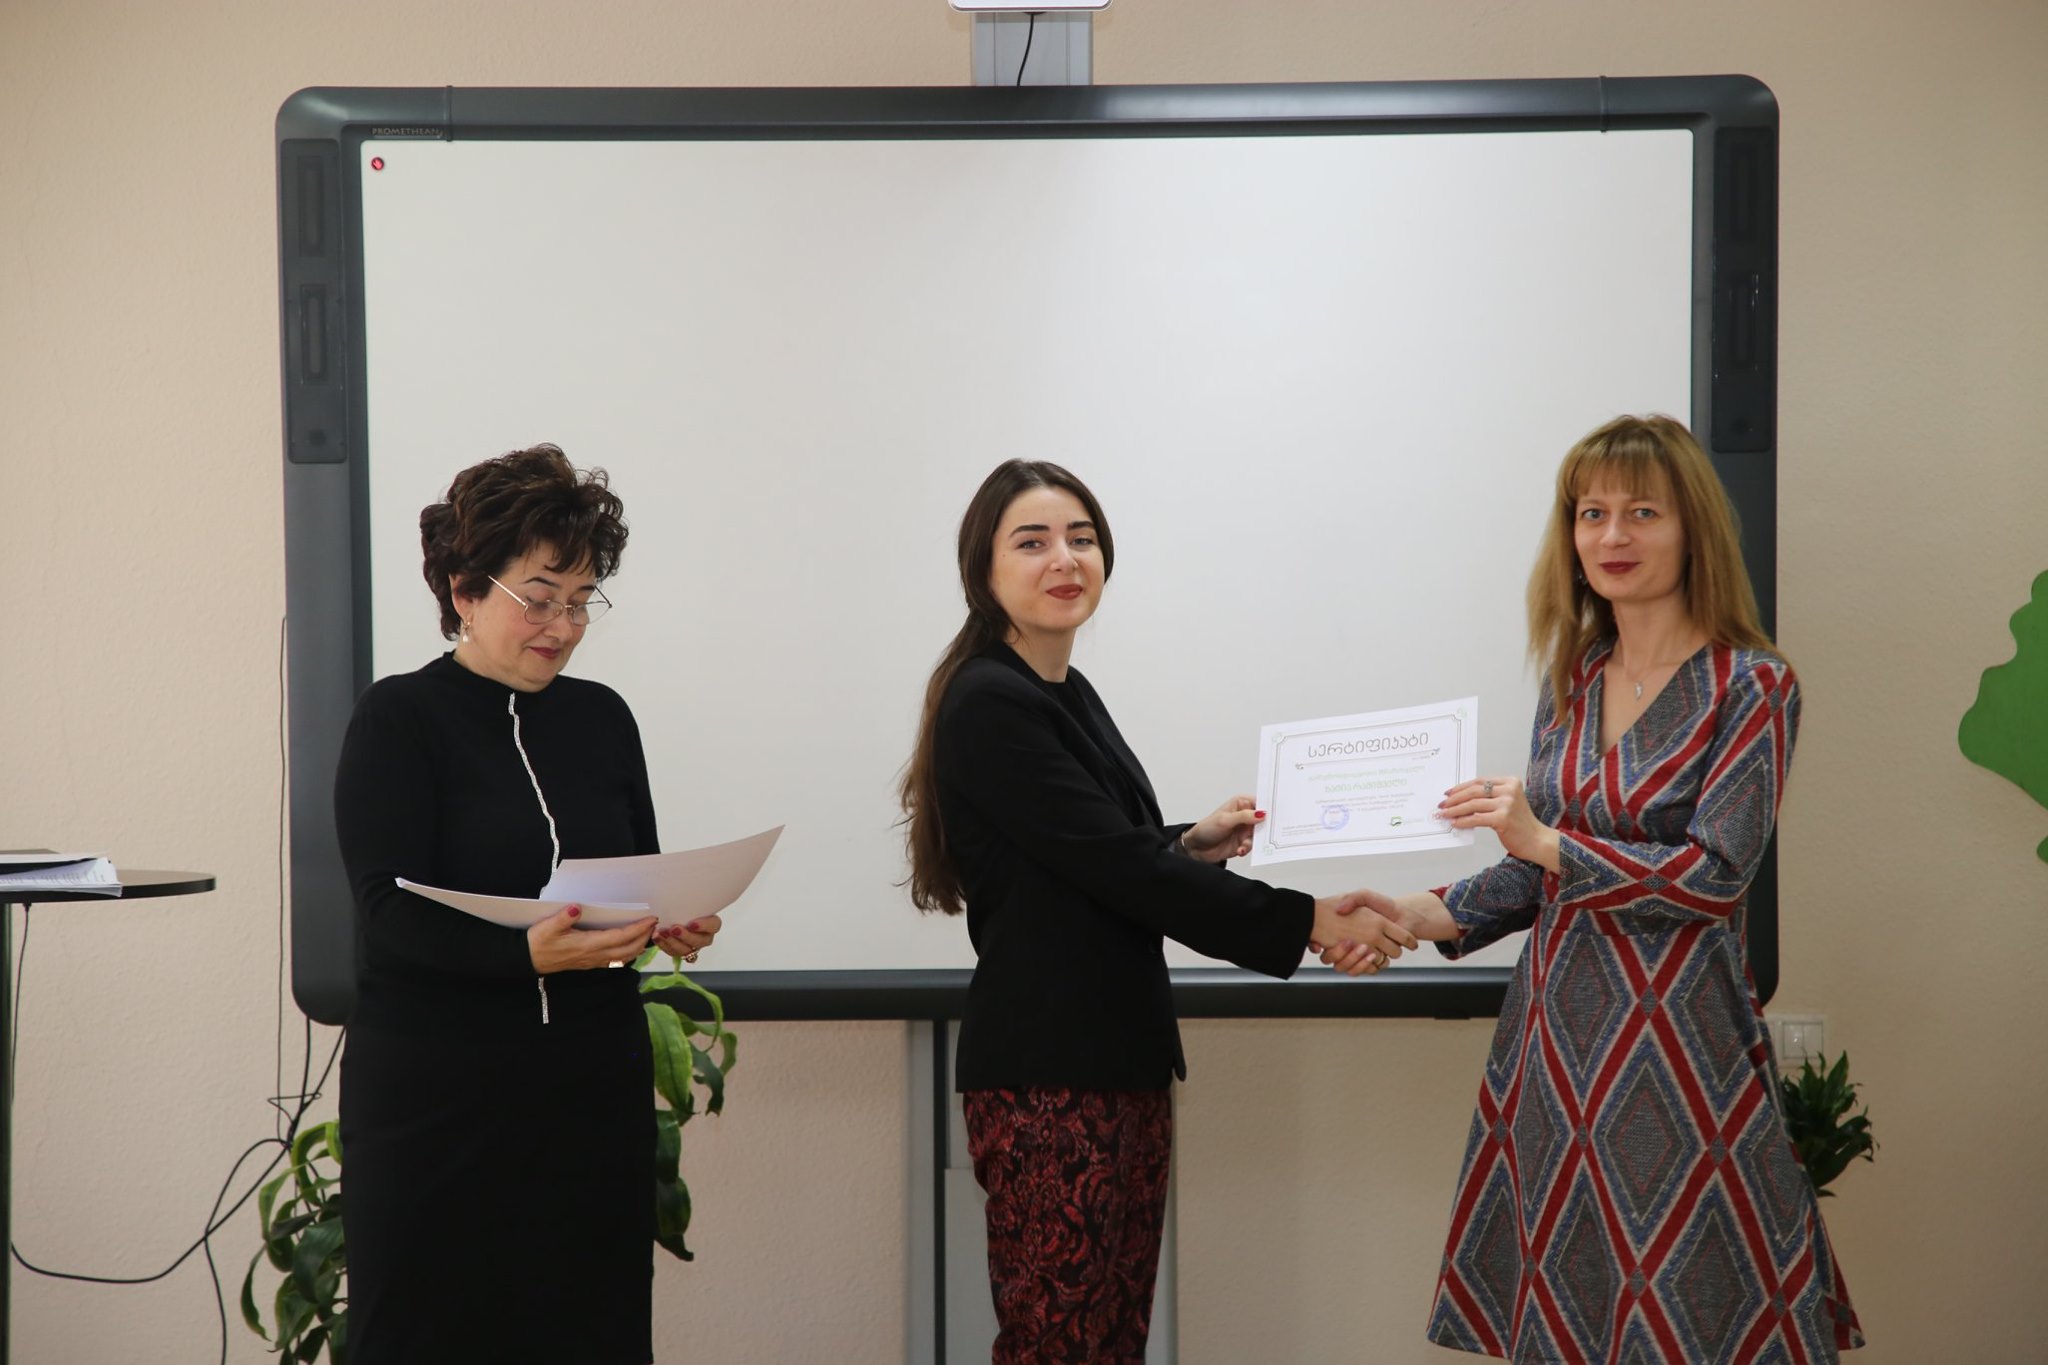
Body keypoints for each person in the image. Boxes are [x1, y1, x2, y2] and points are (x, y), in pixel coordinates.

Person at [1329, 415, 1863, 1362]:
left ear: (1693, 527)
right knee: (1571, 1315)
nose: (1612, 535)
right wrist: (1416, 913)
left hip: (1678, 1050)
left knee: (1689, 1314)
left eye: (1642, 512)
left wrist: (1546, 841)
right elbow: (1533, 869)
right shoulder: (1573, 674)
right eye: (1591, 513)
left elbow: (1715, 876)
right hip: (1556, 1047)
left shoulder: (1753, 685)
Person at [900, 458, 1415, 1364]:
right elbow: (1116, 865)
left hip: (1113, 1066)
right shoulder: (990, 699)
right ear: (983, 568)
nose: (1065, 558)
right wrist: (1308, 920)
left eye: (1082, 538)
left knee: (1110, 1341)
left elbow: (1093, 854)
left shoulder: (1059, 687)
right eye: (1033, 541)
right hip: (1052, 1082)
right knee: (1059, 1344)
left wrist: (1188, 842)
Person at [333, 444, 718, 1365]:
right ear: (465, 590)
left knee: (590, 1332)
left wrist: (668, 919)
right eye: (539, 597)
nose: (564, 626)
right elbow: (386, 914)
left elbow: (631, 877)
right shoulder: (399, 718)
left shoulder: (603, 718)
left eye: (582, 600)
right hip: (441, 1107)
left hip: (589, 1099)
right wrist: (521, 956)